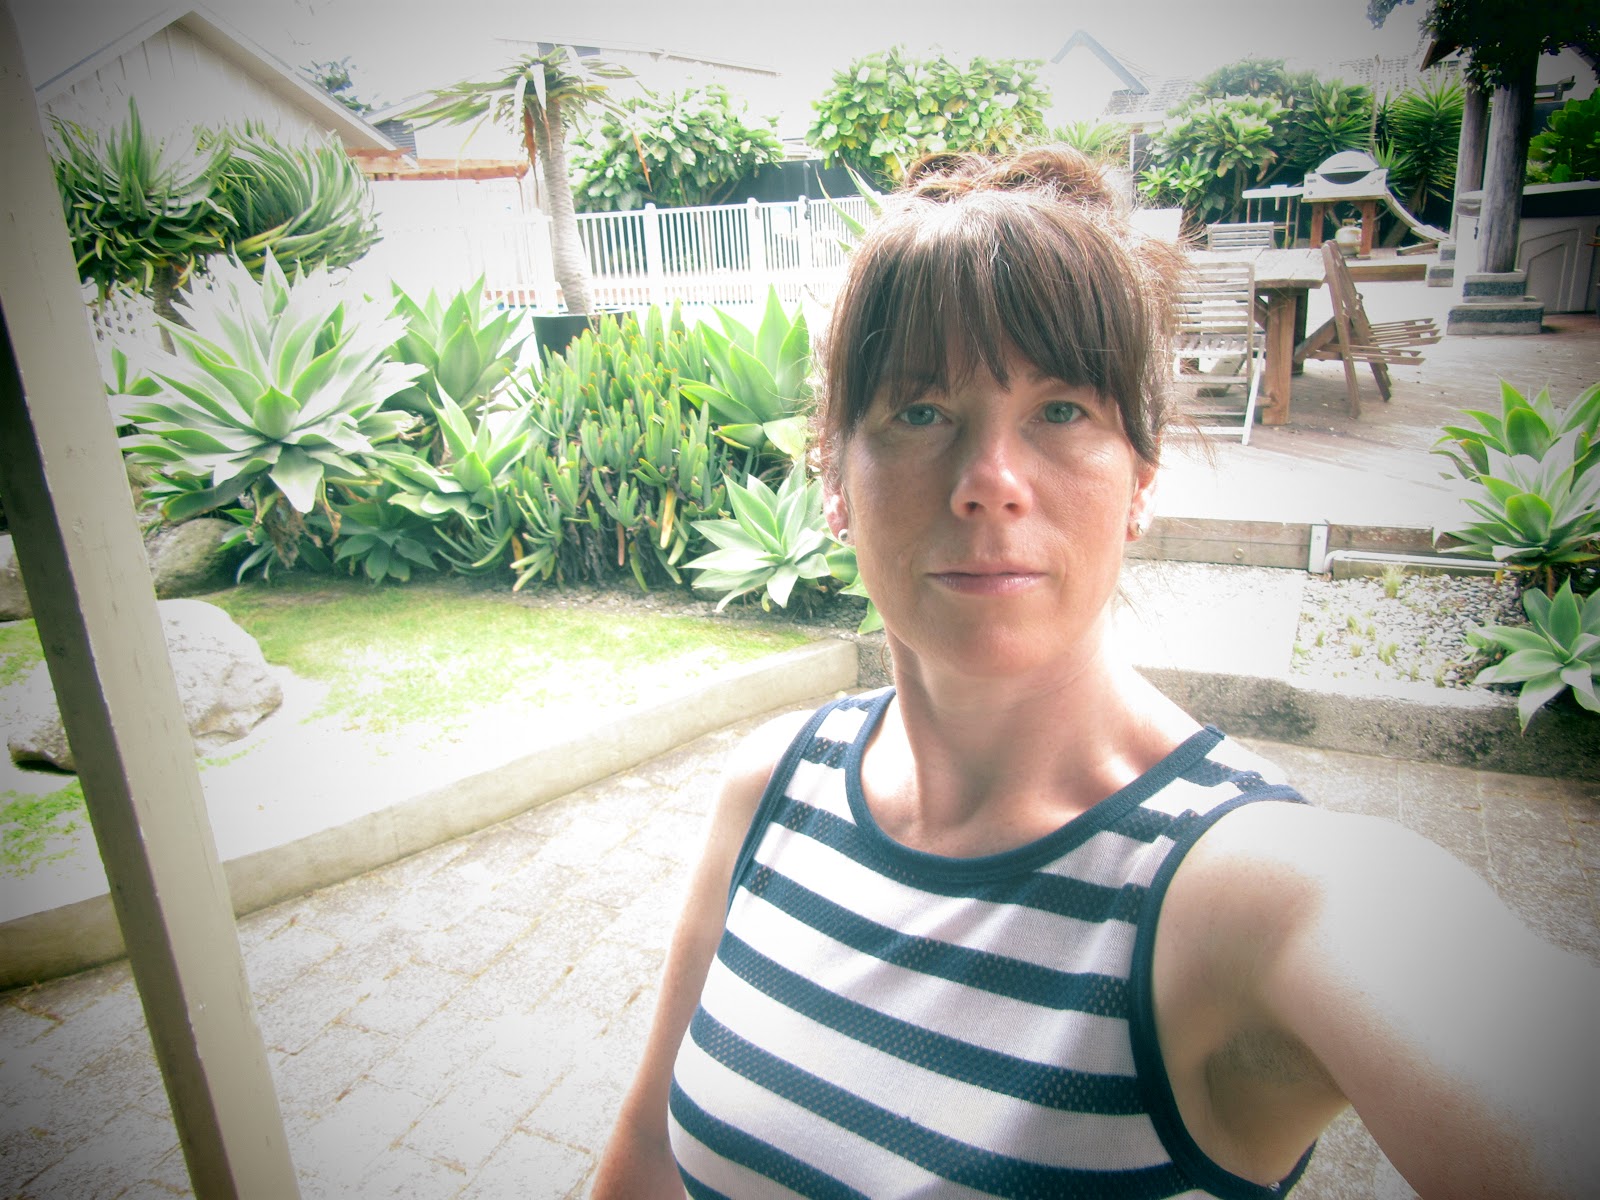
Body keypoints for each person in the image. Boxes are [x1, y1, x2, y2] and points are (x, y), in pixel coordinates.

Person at [591, 147, 1600, 1199]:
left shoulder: (1252, 896)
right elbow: (648, 1158)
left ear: (1141, 483)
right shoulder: (772, 789)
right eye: (919, 411)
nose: (990, 483)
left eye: (1062, 410)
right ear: (834, 477)